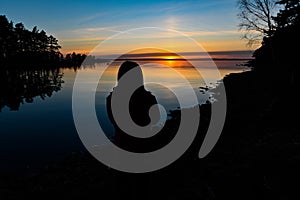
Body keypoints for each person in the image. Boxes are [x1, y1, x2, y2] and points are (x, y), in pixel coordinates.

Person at [106, 61, 160, 152]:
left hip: (121, 143)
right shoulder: (149, 98)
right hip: (145, 144)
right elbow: (156, 119)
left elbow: (112, 120)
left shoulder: (111, 99)